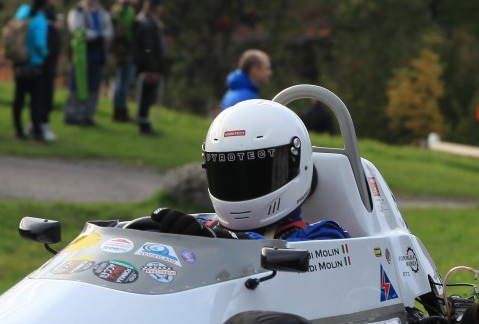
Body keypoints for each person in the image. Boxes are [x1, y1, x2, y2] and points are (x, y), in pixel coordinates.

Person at [134, 99, 349, 242]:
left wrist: (216, 241)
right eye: (227, 174)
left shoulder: (323, 237)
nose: (239, 185)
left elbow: (299, 256)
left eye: (256, 175)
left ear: (296, 164)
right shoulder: (205, 227)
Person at [10, 0, 59, 143]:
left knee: (19, 99)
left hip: (19, 62)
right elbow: (39, 44)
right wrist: (45, 55)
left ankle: (18, 131)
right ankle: (37, 132)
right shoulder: (40, 19)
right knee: (36, 100)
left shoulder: (22, 12)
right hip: (34, 64)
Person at [63, 0, 112, 126]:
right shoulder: (77, 11)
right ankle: (72, 115)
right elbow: (78, 30)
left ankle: (87, 115)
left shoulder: (102, 13)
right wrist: (96, 35)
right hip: (81, 54)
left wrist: (99, 35)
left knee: (93, 86)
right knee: (77, 84)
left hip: (97, 54)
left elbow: (109, 31)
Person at [131, 0, 167, 137]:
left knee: (148, 96)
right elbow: (148, 49)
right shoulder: (146, 24)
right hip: (148, 67)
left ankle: (145, 123)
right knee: (145, 97)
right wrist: (152, 69)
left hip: (151, 65)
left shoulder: (152, 22)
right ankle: (143, 125)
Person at [109, 0, 140, 122]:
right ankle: (119, 112)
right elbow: (125, 30)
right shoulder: (123, 9)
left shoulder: (129, 9)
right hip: (124, 51)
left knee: (123, 81)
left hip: (126, 50)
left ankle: (120, 110)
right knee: (122, 82)